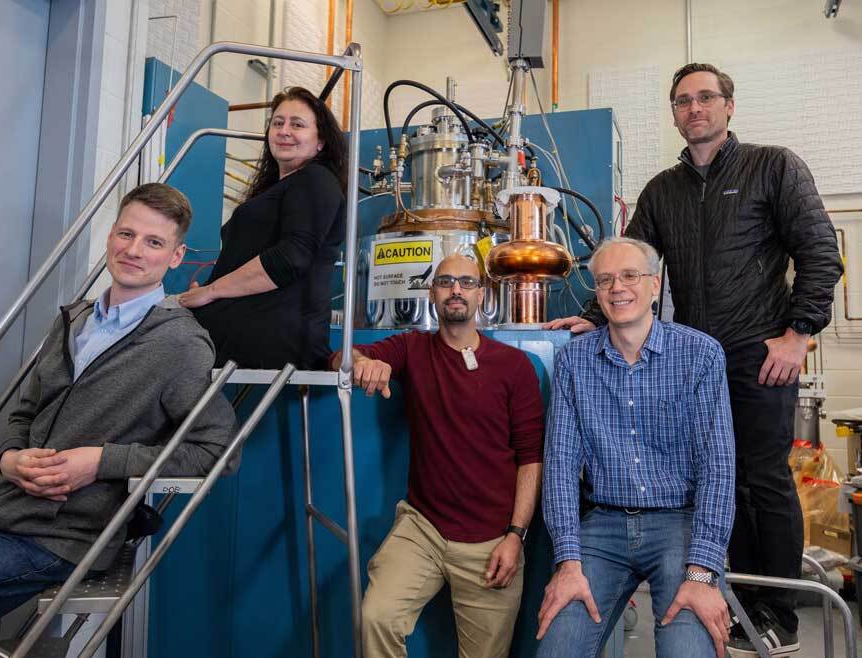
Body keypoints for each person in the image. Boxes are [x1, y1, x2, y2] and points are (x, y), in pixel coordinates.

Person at [545, 62, 843, 655]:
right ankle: (724, 595)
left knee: (762, 479)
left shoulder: (773, 167)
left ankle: (776, 612)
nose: (694, 109)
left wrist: (799, 333)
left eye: (706, 98)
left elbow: (820, 252)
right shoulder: (662, 190)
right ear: (675, 113)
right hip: (688, 362)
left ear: (728, 106)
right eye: (682, 101)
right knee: (715, 484)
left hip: (761, 355)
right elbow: (628, 264)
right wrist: (598, 316)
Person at [0, 183, 237, 658]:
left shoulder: (180, 345)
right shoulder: (74, 319)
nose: (133, 250)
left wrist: (100, 461)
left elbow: (218, 453)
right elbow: (25, 413)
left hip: (53, 539)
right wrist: (8, 458)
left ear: (175, 257)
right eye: (126, 234)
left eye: (153, 242)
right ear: (110, 236)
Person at [332, 254, 545, 658]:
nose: (456, 291)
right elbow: (341, 356)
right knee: (376, 617)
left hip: (492, 539)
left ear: (482, 294)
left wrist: (515, 536)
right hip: (424, 528)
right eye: (446, 282)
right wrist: (364, 363)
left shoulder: (514, 366)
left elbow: (531, 457)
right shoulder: (411, 348)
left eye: (466, 282)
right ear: (432, 293)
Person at [536, 237, 735, 658]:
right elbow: (560, 466)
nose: (617, 288)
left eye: (630, 276)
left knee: (688, 650)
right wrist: (568, 563)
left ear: (655, 285)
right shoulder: (574, 362)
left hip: (678, 525)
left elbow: (718, 467)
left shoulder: (700, 355)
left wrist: (701, 573)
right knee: (558, 647)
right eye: (605, 280)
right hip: (603, 526)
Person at [179, 86, 347, 370]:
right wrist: (206, 292)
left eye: (297, 124)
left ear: (320, 142)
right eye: (277, 123)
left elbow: (290, 259)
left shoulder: (315, 179)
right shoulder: (279, 188)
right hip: (252, 326)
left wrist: (211, 292)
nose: (284, 131)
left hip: (273, 334)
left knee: (149, 335)